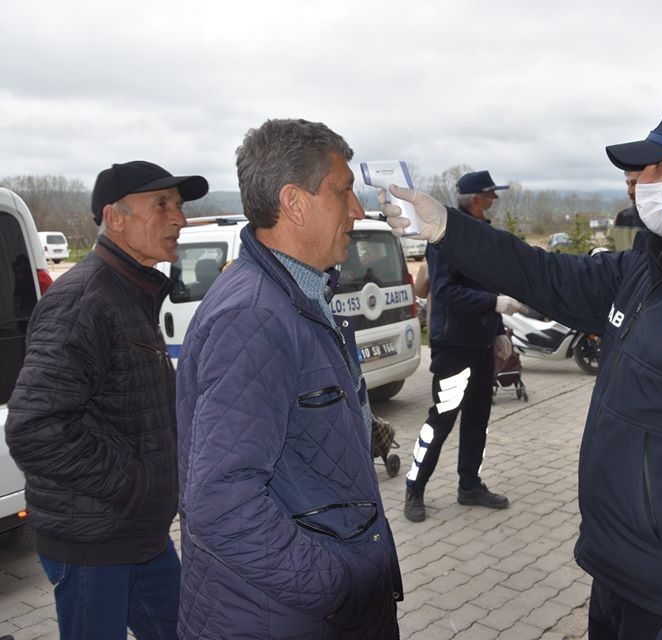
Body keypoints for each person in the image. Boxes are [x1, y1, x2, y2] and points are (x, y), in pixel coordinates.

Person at [381, 97, 662, 639]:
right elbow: (543, 274)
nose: (641, 183)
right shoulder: (647, 271)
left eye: (659, 167)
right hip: (613, 575)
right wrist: (448, 228)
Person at [175, 118, 402, 639]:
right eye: (343, 192)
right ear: (294, 203)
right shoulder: (255, 316)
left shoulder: (298, 295)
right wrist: (336, 587)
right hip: (285, 616)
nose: (357, 210)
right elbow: (221, 501)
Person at [5, 160, 208, 639]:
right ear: (115, 218)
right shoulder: (83, 301)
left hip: (137, 533)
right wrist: (135, 486)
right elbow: (33, 428)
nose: (178, 218)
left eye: (179, 205)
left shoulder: (131, 291)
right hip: (94, 541)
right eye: (162, 204)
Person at [402, 169, 523, 523]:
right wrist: (493, 304)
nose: (494, 201)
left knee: (477, 418)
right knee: (442, 420)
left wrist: (498, 330)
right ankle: (414, 489)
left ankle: (469, 485)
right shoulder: (445, 236)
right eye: (489, 196)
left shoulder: (481, 233)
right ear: (476, 200)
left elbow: (487, 283)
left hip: (481, 342)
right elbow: (444, 291)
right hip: (454, 345)